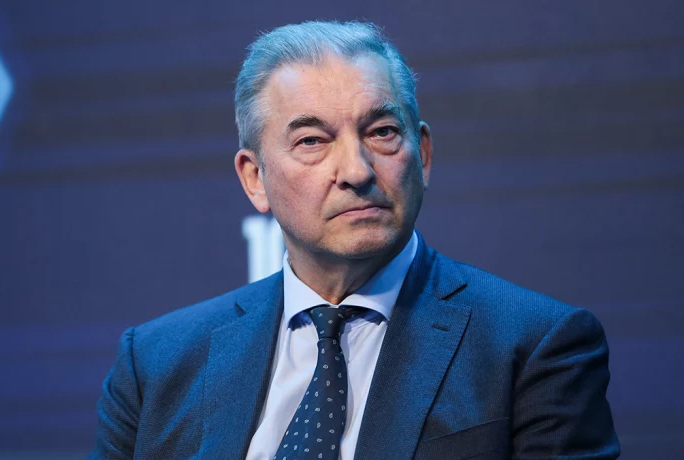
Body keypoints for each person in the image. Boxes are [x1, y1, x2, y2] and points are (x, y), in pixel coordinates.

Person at [89, 21, 619, 460]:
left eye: (381, 132)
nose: (357, 170)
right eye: (312, 141)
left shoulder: (534, 346)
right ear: (255, 179)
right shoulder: (155, 363)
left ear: (422, 155)